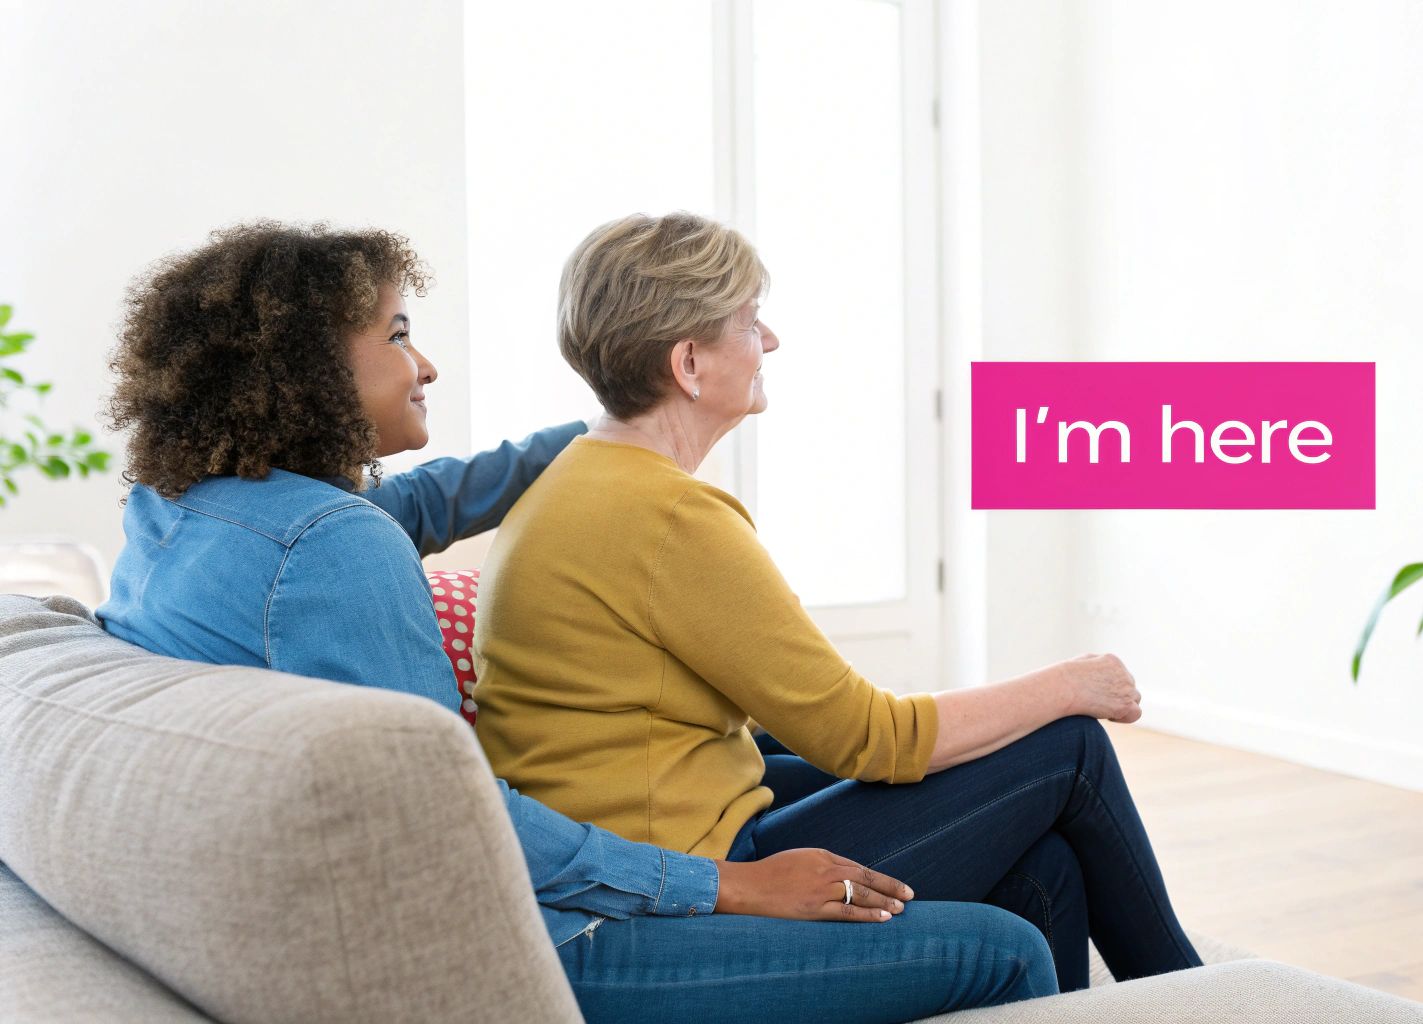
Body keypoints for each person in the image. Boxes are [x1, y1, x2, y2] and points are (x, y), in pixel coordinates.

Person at [95, 221, 1059, 1024]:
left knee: (1037, 850)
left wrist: (610, 429)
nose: (423, 361)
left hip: (517, 889)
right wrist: (729, 888)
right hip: (554, 943)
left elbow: (422, 503)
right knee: (1005, 948)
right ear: (307, 369)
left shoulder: (191, 511)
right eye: (395, 336)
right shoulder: (334, 553)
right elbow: (458, 820)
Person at [474, 212, 1204, 992]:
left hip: (664, 833)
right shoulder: (669, 517)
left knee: (1045, 868)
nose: (772, 342)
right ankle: (1204, 1003)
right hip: (677, 881)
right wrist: (1066, 685)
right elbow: (867, 737)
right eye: (750, 323)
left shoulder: (571, 485)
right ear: (689, 362)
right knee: (1070, 746)